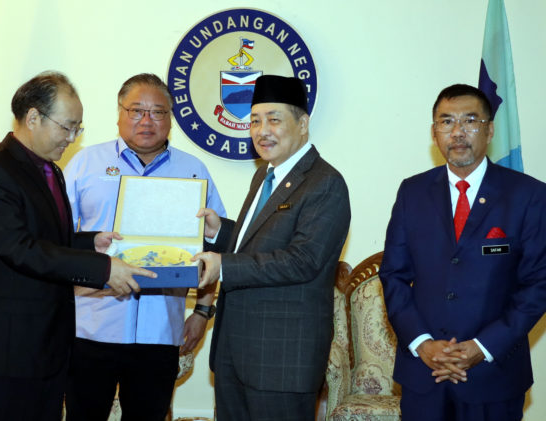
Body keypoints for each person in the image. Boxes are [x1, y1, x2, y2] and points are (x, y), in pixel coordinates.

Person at [0, 71, 155, 421]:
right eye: (67, 127)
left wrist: (91, 243)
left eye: (77, 128)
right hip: (8, 352)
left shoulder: (50, 170)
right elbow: (20, 249)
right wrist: (103, 269)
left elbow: (47, 238)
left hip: (48, 348)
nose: (72, 138)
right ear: (33, 117)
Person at [63, 73, 226, 421]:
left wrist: (202, 313)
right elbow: (57, 241)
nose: (147, 121)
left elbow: (214, 248)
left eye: (158, 112)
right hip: (91, 327)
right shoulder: (84, 164)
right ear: (119, 113)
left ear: (171, 119)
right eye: (137, 110)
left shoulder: (193, 171)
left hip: (160, 332)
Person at [379, 84, 546, 421]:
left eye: (470, 121)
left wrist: (482, 347)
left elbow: (538, 284)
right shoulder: (412, 192)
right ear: (434, 132)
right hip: (424, 373)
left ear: (490, 130)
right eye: (446, 122)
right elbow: (394, 275)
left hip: (494, 375)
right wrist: (423, 343)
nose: (457, 132)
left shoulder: (528, 195)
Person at [193, 75, 351, 421]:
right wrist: (221, 232)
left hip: (281, 360)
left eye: (274, 120)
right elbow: (259, 241)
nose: (262, 131)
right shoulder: (264, 176)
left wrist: (224, 266)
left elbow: (303, 260)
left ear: (303, 124)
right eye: (254, 121)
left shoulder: (325, 183)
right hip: (235, 352)